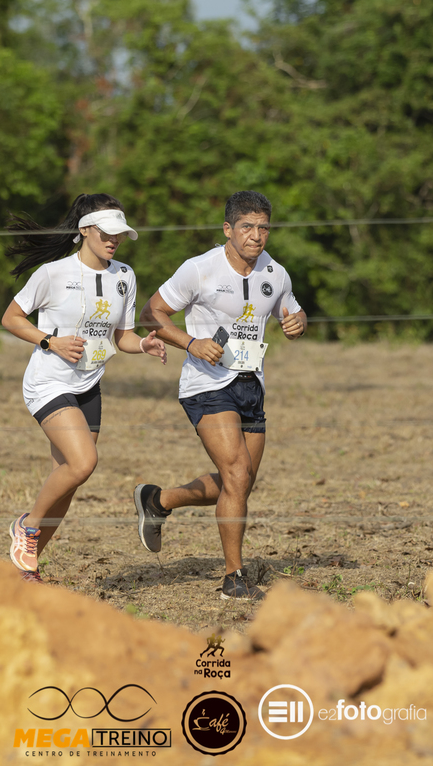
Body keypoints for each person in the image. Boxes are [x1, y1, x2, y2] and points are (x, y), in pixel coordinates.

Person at [132, 190, 306, 600]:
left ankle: (158, 500)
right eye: (247, 227)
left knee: (240, 483)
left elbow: (292, 311)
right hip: (207, 383)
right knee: (237, 474)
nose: (256, 235)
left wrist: (298, 322)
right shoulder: (200, 269)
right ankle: (234, 578)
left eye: (263, 227)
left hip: (251, 384)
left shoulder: (276, 273)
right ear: (228, 229)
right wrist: (191, 343)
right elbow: (151, 313)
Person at [1, 193, 166, 583]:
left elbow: (122, 336)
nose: (115, 240)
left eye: (119, 234)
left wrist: (143, 344)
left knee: (67, 482)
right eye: (107, 233)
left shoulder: (124, 276)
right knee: (83, 462)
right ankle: (26, 526)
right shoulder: (53, 273)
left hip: (89, 385)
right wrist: (50, 341)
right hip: (49, 382)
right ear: (85, 230)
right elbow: (11, 318)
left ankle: (26, 570)